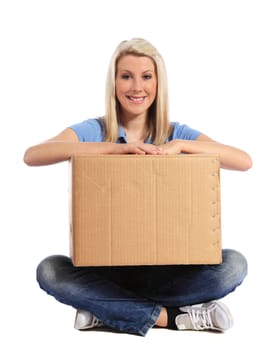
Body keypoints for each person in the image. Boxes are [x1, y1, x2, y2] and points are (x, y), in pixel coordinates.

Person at [24, 38, 252, 336]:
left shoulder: (174, 133)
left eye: (146, 76)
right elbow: (33, 155)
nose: (136, 87)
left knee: (234, 265)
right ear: (114, 82)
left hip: (168, 269)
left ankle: (106, 309)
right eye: (126, 76)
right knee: (50, 270)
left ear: (158, 83)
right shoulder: (96, 130)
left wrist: (180, 145)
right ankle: (169, 318)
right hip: (106, 269)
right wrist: (116, 150)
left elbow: (244, 161)